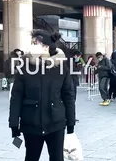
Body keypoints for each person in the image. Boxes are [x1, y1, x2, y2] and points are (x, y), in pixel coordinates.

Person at [9, 30, 75, 161]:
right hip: (31, 123)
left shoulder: (61, 66)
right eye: (32, 43)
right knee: (31, 157)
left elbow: (68, 95)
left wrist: (71, 123)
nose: (31, 46)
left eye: (35, 43)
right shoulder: (24, 66)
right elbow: (16, 96)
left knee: (57, 158)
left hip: (56, 123)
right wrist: (14, 123)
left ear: (45, 46)